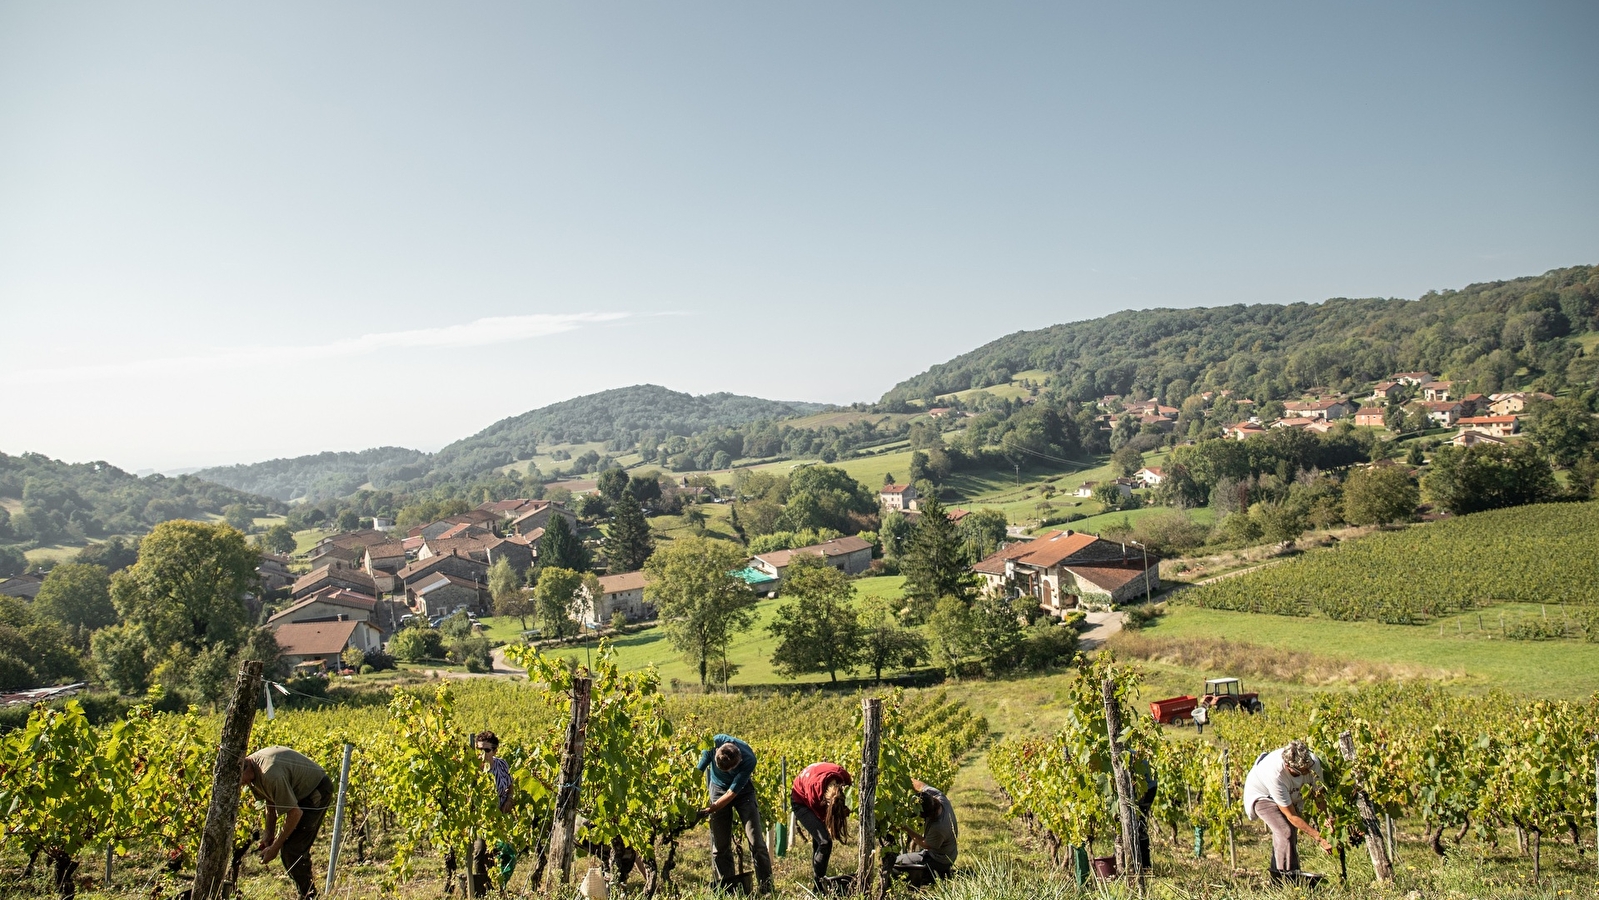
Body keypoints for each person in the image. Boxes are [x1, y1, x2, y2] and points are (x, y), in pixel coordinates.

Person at [240, 745, 333, 900]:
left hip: (316, 791)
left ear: (245, 769)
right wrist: (269, 835)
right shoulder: (253, 771)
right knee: (290, 849)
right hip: (301, 794)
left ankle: (309, 896)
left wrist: (275, 847)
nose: (241, 785)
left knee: (292, 850)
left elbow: (295, 813)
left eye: (240, 780)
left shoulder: (269, 774)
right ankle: (306, 894)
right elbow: (270, 802)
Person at [696, 734, 773, 894]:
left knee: (756, 842)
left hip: (743, 792)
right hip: (717, 789)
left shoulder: (749, 759)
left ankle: (766, 890)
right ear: (715, 752)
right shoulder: (712, 743)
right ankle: (726, 890)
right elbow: (697, 772)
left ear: (738, 763)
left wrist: (708, 810)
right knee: (720, 845)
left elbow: (731, 794)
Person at [1243, 739, 1332, 878]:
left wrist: (1326, 819)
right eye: (1302, 772)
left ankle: (1284, 876)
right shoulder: (1275, 774)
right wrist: (1319, 837)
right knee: (1285, 831)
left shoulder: (1312, 762)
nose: (1308, 772)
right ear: (1288, 767)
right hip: (1263, 795)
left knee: (1289, 836)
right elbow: (1291, 816)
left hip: (1290, 794)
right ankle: (1285, 879)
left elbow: (1318, 795)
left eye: (1309, 768)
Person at [789, 761, 852, 892]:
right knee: (824, 842)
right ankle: (818, 887)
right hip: (801, 799)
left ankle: (818, 884)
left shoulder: (844, 778)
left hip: (815, 779)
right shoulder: (815, 795)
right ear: (825, 802)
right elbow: (822, 819)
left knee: (820, 842)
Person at [470, 730, 517, 896]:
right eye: (479, 749)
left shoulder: (502, 764)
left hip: (501, 817)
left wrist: (510, 799)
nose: (482, 754)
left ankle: (498, 888)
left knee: (503, 854)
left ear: (495, 751)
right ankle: (480, 893)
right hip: (481, 819)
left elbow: (510, 785)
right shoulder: (473, 769)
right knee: (480, 852)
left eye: (486, 750)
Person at [894, 779, 957, 885]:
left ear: (927, 815)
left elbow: (925, 844)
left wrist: (906, 828)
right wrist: (903, 779)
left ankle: (924, 879)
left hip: (939, 860)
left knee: (896, 863)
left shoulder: (939, 827)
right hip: (949, 853)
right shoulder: (938, 796)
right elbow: (921, 785)